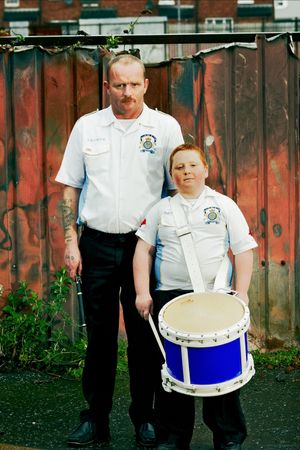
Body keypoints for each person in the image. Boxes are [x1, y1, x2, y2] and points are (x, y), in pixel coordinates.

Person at [55, 54, 184, 448]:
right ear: (107, 86)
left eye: (133, 84)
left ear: (146, 85)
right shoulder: (87, 127)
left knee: (145, 340)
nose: (126, 93)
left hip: (143, 248)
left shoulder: (164, 128)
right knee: (100, 339)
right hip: (95, 243)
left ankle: (144, 418)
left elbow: (179, 187)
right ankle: (95, 420)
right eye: (118, 85)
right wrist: (70, 241)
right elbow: (69, 187)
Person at [133, 143, 258, 450]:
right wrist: (141, 292)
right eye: (178, 167)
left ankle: (229, 436)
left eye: (191, 165)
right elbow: (142, 251)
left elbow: (243, 249)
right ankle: (173, 437)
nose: (185, 171)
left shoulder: (224, 205)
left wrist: (241, 292)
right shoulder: (161, 209)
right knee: (172, 372)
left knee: (220, 370)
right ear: (172, 174)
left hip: (216, 297)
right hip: (170, 300)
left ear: (205, 169)